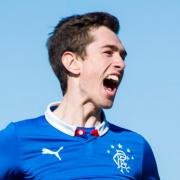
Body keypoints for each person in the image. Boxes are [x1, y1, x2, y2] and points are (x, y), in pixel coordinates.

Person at [0, 12, 160, 179]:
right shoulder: (16, 139)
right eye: (108, 53)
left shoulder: (137, 147)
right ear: (72, 63)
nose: (121, 63)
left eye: (122, 56)